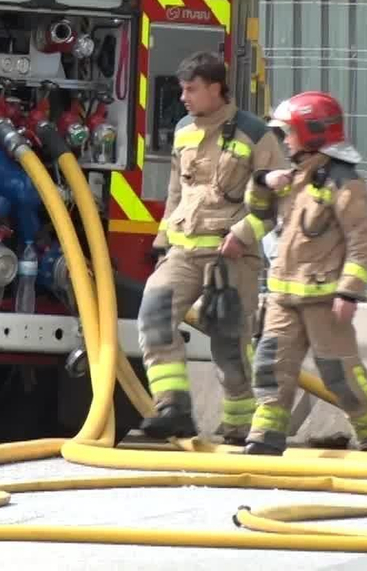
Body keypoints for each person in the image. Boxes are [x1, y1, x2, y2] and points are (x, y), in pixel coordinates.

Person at [139, 51, 289, 443]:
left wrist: (243, 234)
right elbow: (177, 192)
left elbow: (276, 204)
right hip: (183, 253)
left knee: (228, 343)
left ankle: (241, 426)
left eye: (191, 89)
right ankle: (173, 408)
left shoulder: (258, 136)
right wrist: (161, 242)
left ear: (216, 88)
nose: (184, 97)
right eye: (182, 89)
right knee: (154, 317)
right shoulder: (183, 130)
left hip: (231, 258)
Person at [242, 91, 367, 456]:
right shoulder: (295, 177)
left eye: (289, 133)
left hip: (323, 300)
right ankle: (264, 438)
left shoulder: (342, 181)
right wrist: (263, 182)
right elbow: (260, 215)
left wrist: (349, 292)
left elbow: (363, 238)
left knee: (338, 374)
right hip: (283, 297)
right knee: (270, 366)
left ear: (311, 133)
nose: (285, 140)